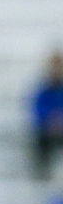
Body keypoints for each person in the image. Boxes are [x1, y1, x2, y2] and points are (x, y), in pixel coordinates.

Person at [31, 51, 63, 180]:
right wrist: (51, 120)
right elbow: (38, 110)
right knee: (41, 140)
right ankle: (43, 173)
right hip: (48, 130)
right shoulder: (44, 89)